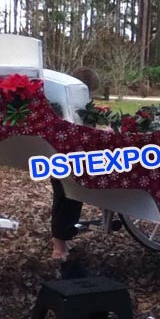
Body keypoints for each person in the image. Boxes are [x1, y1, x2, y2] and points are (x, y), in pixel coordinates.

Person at [50, 67, 100, 261]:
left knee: (64, 197)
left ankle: (61, 240)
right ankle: (59, 246)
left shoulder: (58, 104)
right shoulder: (76, 106)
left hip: (55, 155)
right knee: (68, 199)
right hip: (70, 157)